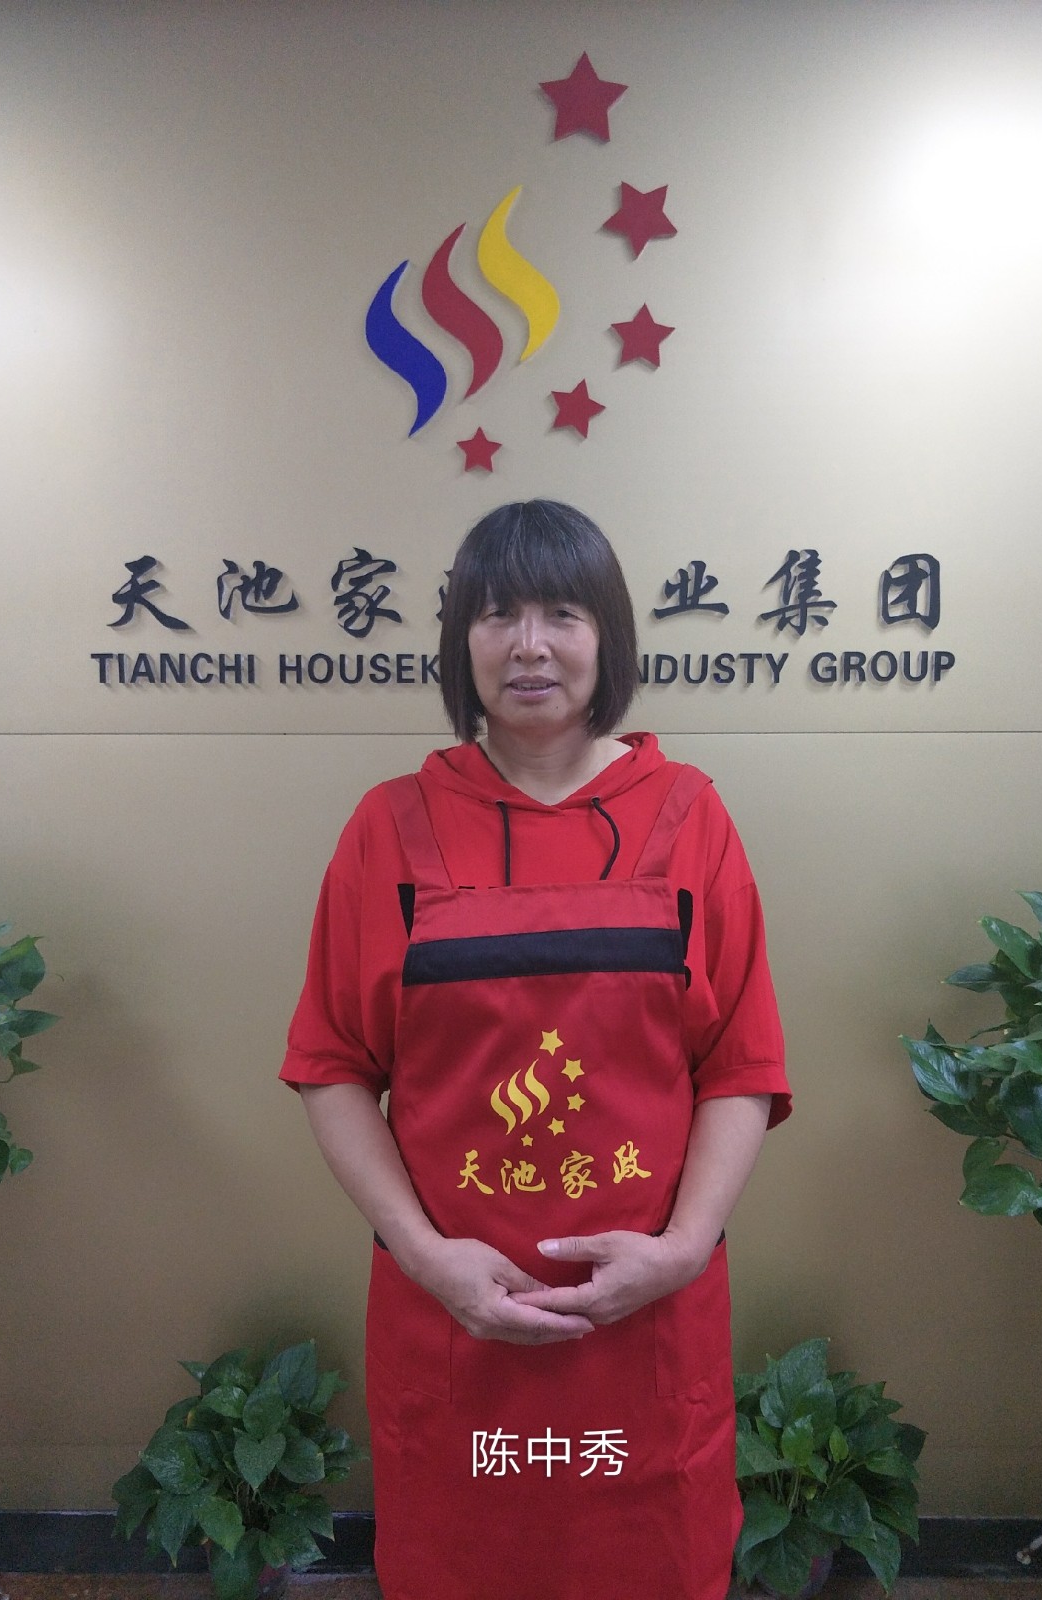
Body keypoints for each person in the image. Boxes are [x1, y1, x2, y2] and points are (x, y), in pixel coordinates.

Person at [280, 500, 790, 1600]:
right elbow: (331, 1066)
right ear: (460, 641)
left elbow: (741, 1067)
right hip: (455, 1325)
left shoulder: (689, 816)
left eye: (563, 613)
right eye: (498, 614)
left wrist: (681, 1248)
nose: (530, 645)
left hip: (645, 1331)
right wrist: (428, 1257)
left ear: (608, 636)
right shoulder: (390, 826)